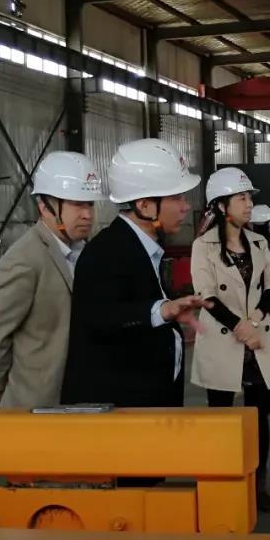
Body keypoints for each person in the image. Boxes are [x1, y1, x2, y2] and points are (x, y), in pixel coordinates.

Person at [60, 138, 210, 407]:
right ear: (145, 205)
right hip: (122, 414)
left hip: (149, 407)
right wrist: (161, 311)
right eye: (176, 197)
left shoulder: (144, 248)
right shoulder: (105, 254)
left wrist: (169, 320)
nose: (185, 206)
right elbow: (100, 319)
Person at [190, 168, 270, 513]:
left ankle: (257, 487)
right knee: (220, 417)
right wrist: (239, 327)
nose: (249, 205)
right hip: (224, 340)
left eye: (250, 198)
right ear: (221, 206)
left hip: (258, 339)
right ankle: (220, 484)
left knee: (258, 418)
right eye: (242, 198)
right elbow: (206, 295)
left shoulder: (258, 242)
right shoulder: (203, 246)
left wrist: (255, 320)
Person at [0, 151, 105, 409]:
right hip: (34, 406)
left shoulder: (84, 254)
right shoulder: (25, 260)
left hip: (78, 401)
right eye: (77, 204)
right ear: (45, 206)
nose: (87, 215)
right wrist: (17, 384)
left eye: (90, 204)